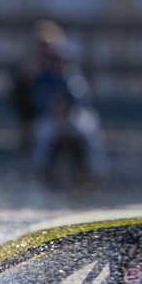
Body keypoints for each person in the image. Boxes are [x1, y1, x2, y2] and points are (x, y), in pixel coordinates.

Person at [26, 27, 103, 187]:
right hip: (52, 117)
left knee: (88, 129)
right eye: (55, 59)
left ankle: (95, 170)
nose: (58, 63)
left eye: (60, 59)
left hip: (71, 116)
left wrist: (66, 106)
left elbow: (82, 100)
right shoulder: (45, 76)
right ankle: (39, 171)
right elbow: (37, 99)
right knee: (42, 133)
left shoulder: (72, 76)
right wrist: (51, 107)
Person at [9, 20, 66, 152]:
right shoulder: (28, 66)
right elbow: (18, 96)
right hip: (33, 116)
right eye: (41, 45)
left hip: (59, 119)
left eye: (47, 46)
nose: (44, 50)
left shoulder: (62, 66)